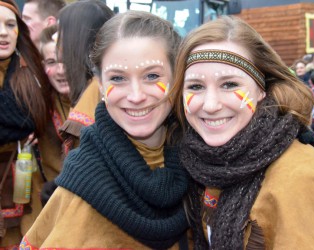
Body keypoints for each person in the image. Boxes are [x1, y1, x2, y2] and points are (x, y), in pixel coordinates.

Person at [171, 16, 314, 249]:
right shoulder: (198, 162)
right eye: (195, 86)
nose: (210, 105)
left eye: (230, 84)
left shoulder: (302, 179)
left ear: (262, 89)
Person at [21, 11, 191, 249]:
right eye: (118, 78)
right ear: (100, 84)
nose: (136, 96)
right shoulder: (83, 184)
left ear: (177, 78)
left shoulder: (202, 166)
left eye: (152, 76)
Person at [0, 0, 51, 247]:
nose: (3, 32)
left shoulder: (32, 71)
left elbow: (33, 117)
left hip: (24, 185)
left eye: (11, 25)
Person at [20, 24, 70, 235]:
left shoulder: (101, 103)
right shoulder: (36, 106)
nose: (60, 70)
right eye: (52, 62)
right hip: (48, 214)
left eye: (66, 61)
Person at [57, 0, 114, 154]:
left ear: (75, 40)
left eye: (61, 33)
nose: (57, 40)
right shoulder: (96, 84)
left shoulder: (96, 89)